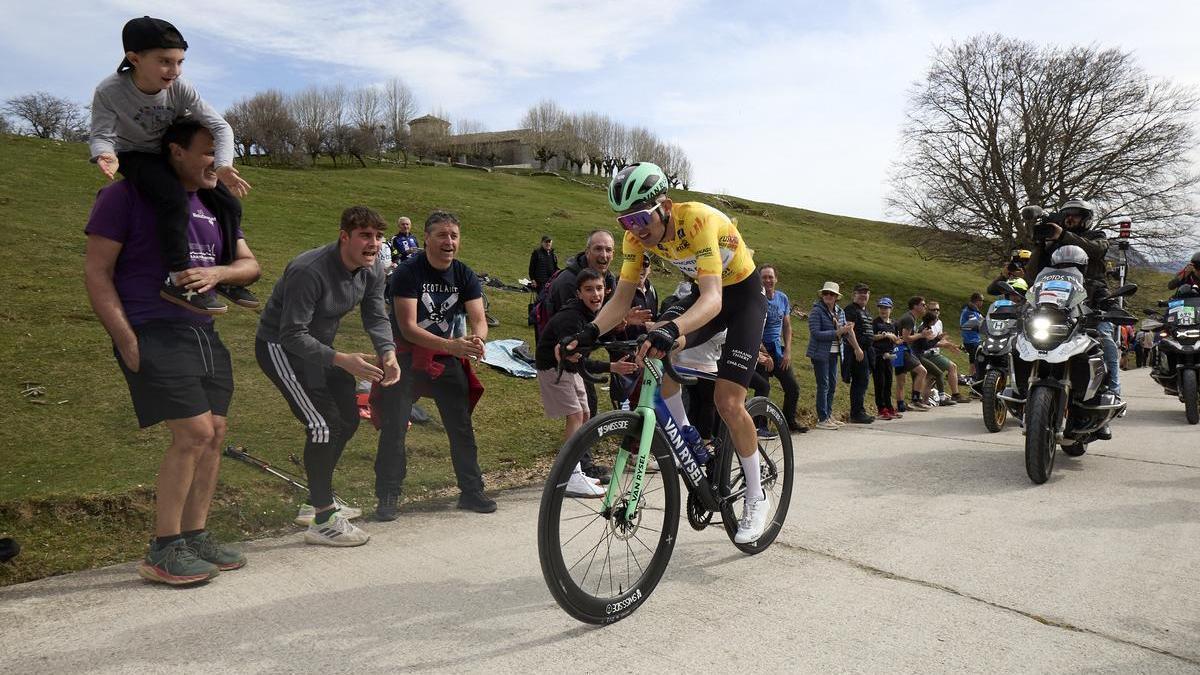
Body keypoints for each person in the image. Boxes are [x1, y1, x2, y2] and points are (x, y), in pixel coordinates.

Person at [84, 120, 261, 585]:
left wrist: (219, 275)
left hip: (204, 330)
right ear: (176, 151)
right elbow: (98, 273)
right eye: (208, 153)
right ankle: (163, 550)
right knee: (194, 432)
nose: (217, 163)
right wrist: (125, 339)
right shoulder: (123, 197)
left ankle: (193, 535)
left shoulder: (215, 204)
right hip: (152, 327)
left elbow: (250, 265)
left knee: (216, 431)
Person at [564, 162, 771, 544]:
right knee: (658, 348)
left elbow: (713, 298)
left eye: (641, 217)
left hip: (741, 297)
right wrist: (588, 332)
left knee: (728, 401)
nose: (636, 229)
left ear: (666, 205)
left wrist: (674, 327)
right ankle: (687, 436)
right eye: (626, 222)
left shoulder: (697, 221)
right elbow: (621, 298)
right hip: (706, 296)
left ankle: (756, 496)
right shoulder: (635, 240)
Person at [90, 16, 255, 315]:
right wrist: (105, 154)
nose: (175, 71)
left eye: (180, 62)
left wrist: (222, 165)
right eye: (165, 61)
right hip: (136, 154)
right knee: (172, 198)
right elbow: (102, 133)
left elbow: (220, 127)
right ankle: (178, 277)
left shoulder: (181, 88)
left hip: (169, 152)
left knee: (230, 205)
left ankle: (227, 276)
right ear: (134, 58)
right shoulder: (110, 91)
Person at [256, 206, 400, 546]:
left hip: (320, 349)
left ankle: (316, 499)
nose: (374, 244)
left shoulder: (373, 269)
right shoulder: (309, 270)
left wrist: (388, 352)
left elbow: (376, 316)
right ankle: (322, 518)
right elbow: (292, 334)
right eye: (365, 235)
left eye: (379, 237)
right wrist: (343, 360)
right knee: (323, 424)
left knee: (347, 420)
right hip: (280, 348)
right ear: (344, 236)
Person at [374, 211, 496, 518]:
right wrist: (453, 346)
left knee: (461, 426)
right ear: (426, 238)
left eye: (454, 236)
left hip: (444, 355)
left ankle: (471, 491)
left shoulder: (464, 274)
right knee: (395, 425)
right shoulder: (407, 272)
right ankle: (388, 494)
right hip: (404, 354)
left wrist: (477, 341)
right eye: (442, 235)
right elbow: (407, 328)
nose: (449, 242)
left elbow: (479, 320)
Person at [535, 269, 638, 495]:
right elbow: (580, 359)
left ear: (607, 290)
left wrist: (624, 325)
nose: (596, 294)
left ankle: (577, 471)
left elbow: (597, 347)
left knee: (584, 414)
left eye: (599, 289)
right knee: (574, 415)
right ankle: (569, 477)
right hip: (554, 368)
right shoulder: (571, 318)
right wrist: (611, 367)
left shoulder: (593, 317)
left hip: (572, 368)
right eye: (589, 289)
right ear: (579, 293)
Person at [759, 265, 806, 432]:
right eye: (764, 277)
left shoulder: (782, 298)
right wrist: (764, 354)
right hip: (760, 350)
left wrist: (787, 351)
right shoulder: (757, 299)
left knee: (792, 387)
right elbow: (754, 329)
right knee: (763, 387)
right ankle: (760, 426)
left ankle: (789, 422)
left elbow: (787, 326)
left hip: (778, 350)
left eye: (770, 277)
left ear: (776, 279)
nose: (767, 280)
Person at [808, 282, 854, 429]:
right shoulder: (817, 311)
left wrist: (846, 330)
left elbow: (843, 333)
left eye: (832, 294)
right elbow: (816, 333)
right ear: (822, 295)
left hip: (834, 353)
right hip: (820, 353)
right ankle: (822, 418)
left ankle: (828, 415)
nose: (828, 296)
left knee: (832, 385)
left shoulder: (839, 311)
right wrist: (837, 332)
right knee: (824, 385)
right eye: (826, 293)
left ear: (836, 297)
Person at [918, 300, 971, 405]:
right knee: (952, 367)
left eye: (938, 309)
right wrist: (947, 345)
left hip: (934, 353)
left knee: (930, 378)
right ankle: (955, 395)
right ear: (928, 311)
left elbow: (940, 339)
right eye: (933, 310)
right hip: (928, 353)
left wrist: (954, 345)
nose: (936, 311)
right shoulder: (926, 325)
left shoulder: (939, 322)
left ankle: (923, 400)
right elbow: (931, 343)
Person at [842, 282, 875, 424]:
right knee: (859, 382)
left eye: (866, 293)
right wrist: (857, 348)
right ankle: (857, 413)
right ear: (854, 294)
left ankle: (860, 410)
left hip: (867, 350)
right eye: (860, 292)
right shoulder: (851, 309)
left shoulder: (866, 311)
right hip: (857, 351)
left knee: (864, 381)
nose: (863, 295)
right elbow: (849, 330)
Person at [896, 296, 934, 412]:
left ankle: (901, 405)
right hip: (902, 350)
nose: (925, 307)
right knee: (922, 371)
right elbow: (906, 338)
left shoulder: (910, 317)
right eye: (923, 305)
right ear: (915, 306)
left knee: (901, 380)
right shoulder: (909, 319)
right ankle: (915, 400)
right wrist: (922, 335)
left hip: (898, 350)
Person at [871, 297, 903, 420]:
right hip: (878, 355)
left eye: (886, 308)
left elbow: (897, 340)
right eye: (881, 307)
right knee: (880, 382)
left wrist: (897, 340)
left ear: (891, 309)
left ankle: (889, 407)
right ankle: (881, 408)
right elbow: (871, 337)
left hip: (889, 355)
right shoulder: (875, 322)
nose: (883, 310)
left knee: (888, 382)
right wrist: (884, 335)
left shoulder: (894, 323)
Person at [960, 293, 985, 382]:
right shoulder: (970, 311)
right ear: (977, 301)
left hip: (973, 339)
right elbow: (973, 325)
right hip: (971, 340)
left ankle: (973, 376)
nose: (982, 303)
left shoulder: (973, 310)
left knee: (974, 359)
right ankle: (972, 377)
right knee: (975, 360)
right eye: (981, 300)